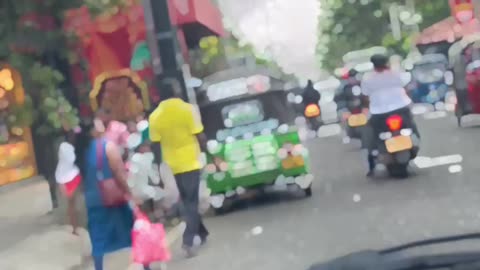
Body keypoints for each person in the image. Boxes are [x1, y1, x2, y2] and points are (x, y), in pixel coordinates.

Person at [82, 112, 151, 270]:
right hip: (113, 200)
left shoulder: (85, 150)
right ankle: (146, 266)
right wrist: (130, 194)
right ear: (94, 129)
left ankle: (99, 267)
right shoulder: (107, 146)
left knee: (98, 240)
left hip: (93, 200)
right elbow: (119, 174)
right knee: (133, 232)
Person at [149, 78, 209, 258]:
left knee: (187, 199)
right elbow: (200, 136)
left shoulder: (155, 116)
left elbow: (155, 146)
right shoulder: (188, 109)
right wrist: (210, 154)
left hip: (172, 165)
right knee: (191, 201)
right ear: (176, 91)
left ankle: (202, 232)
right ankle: (188, 240)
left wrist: (158, 170)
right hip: (190, 161)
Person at [361, 54, 417, 176]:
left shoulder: (368, 78)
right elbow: (406, 86)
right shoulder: (396, 73)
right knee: (412, 127)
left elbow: (365, 96)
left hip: (379, 113)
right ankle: (415, 140)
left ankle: (372, 160)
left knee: (372, 135)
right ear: (386, 62)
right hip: (401, 109)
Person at [55, 129, 82, 235]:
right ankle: (74, 226)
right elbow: (71, 159)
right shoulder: (68, 148)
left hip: (65, 177)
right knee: (72, 204)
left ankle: (74, 226)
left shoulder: (63, 147)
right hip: (71, 177)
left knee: (71, 204)